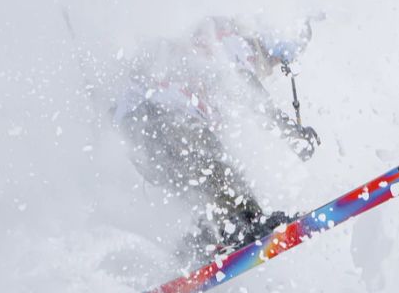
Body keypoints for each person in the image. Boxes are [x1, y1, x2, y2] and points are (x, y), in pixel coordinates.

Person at [111, 15, 321, 261]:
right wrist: (290, 132)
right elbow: (247, 89)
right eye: (279, 60)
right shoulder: (233, 39)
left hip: (146, 134)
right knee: (212, 163)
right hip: (158, 117)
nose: (274, 68)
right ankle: (246, 223)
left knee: (200, 185)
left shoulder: (210, 52)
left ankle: (198, 245)